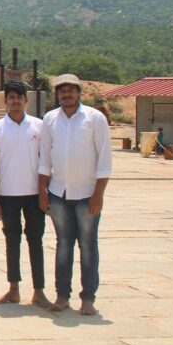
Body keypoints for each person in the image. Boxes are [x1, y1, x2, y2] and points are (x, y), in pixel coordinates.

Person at [39, 73, 112, 315]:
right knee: (63, 244)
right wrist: (42, 190)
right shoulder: (50, 119)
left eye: (71, 90)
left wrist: (98, 194)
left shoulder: (94, 118)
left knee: (88, 246)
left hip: (87, 194)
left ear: (79, 93)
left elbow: (104, 160)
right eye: (62, 91)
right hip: (58, 193)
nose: (66, 95)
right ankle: (62, 296)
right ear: (57, 95)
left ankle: (88, 298)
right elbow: (45, 159)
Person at [0, 81, 49, 308]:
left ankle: (39, 291)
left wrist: (43, 191)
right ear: (6, 100)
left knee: (36, 241)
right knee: (12, 241)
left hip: (34, 194)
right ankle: (13, 289)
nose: (16, 101)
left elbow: (46, 160)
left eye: (20, 97)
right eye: (12, 97)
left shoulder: (39, 126)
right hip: (8, 194)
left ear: (26, 101)